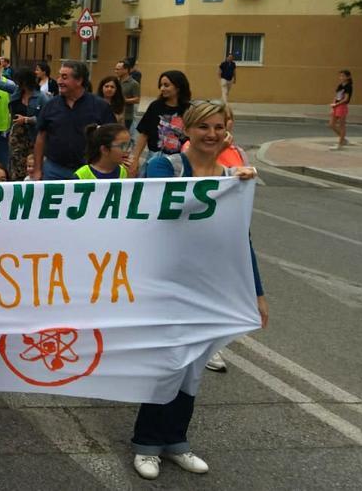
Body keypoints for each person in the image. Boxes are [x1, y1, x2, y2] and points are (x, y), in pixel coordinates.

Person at [131, 101, 267, 481]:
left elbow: (241, 240)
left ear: (227, 131)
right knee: (168, 363)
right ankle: (146, 443)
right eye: (203, 126)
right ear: (187, 129)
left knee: (192, 370)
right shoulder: (165, 166)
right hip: (165, 285)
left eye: (218, 127)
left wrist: (256, 292)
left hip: (207, 289)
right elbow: (144, 216)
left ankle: (176, 442)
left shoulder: (230, 177)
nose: (211, 134)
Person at [33, 61, 115, 180]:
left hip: (88, 171)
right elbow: (41, 137)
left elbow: (111, 138)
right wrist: (37, 169)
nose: (59, 81)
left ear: (79, 80)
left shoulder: (100, 106)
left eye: (64, 77)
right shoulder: (50, 105)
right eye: (59, 76)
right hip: (54, 171)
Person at [130, 70, 192, 177]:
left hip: (180, 159)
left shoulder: (189, 109)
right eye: (161, 85)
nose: (162, 88)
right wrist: (135, 159)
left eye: (166, 85)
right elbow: (144, 134)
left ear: (178, 87)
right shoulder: (155, 106)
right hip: (155, 157)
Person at [7, 69, 48, 181]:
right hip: (16, 135)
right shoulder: (17, 92)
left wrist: (27, 120)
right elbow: (3, 85)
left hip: (32, 136)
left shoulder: (41, 97)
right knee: (16, 164)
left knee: (32, 163)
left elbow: (46, 118)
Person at [328, 69, 353, 150]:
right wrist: (333, 105)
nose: (341, 77)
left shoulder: (348, 86)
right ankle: (343, 139)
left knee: (342, 125)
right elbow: (336, 96)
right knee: (331, 124)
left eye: (343, 76)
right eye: (340, 76)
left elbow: (346, 99)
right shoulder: (340, 85)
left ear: (348, 77)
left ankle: (340, 144)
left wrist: (337, 104)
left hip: (342, 106)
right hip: (336, 106)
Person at [115, 59, 140, 129]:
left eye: (118, 69)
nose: (116, 71)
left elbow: (137, 99)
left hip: (127, 116)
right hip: (115, 114)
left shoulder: (134, 84)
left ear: (126, 70)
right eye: (115, 69)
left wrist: (124, 100)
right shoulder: (115, 82)